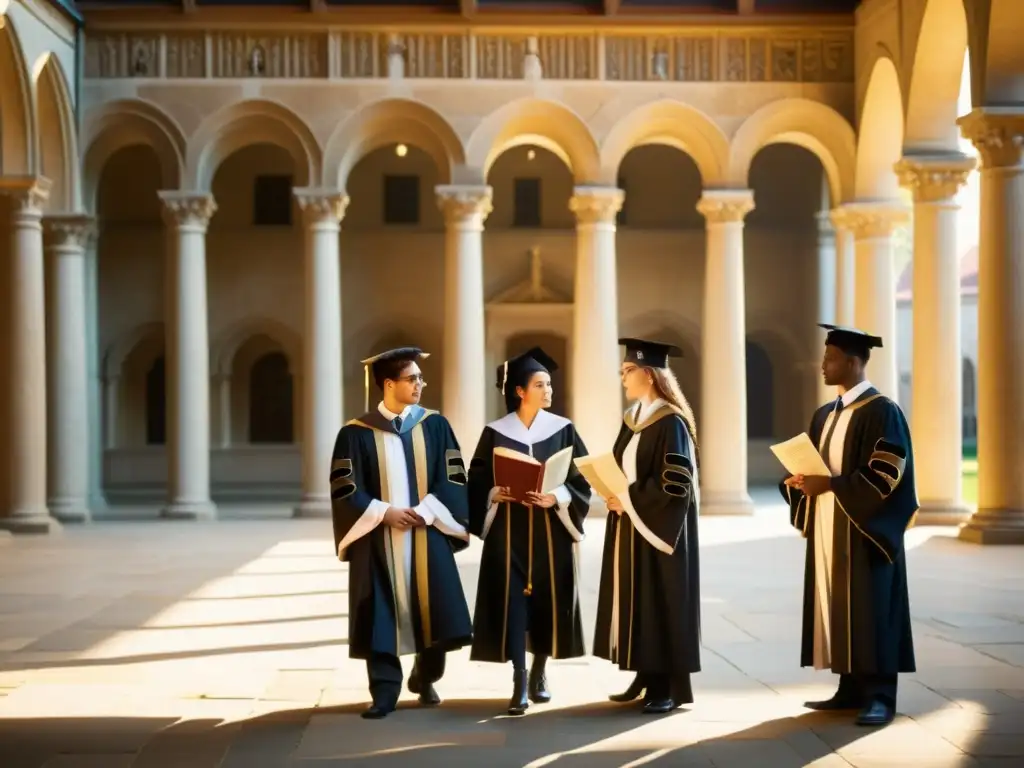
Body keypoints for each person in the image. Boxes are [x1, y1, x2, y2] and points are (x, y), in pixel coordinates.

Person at [780, 324, 917, 727]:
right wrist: (801, 482)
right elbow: (816, 467)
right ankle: (848, 687)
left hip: (864, 529)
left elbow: (887, 473)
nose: (821, 365)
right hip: (827, 525)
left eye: (830, 358)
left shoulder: (882, 411)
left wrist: (833, 485)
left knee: (871, 607)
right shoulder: (824, 415)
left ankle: (879, 695)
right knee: (837, 605)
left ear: (854, 362)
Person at [329, 347, 473, 720]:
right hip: (378, 536)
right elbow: (345, 488)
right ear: (389, 383)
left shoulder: (435, 425)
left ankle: (426, 678)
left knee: (436, 610)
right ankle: (384, 693)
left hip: (428, 530)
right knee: (379, 614)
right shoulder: (354, 433)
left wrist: (427, 512)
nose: (420, 384)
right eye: (412, 378)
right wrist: (384, 512)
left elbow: (454, 475)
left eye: (421, 378)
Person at [467, 347, 591, 716]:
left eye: (549, 384)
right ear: (520, 391)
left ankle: (540, 671)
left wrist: (556, 496)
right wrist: (494, 492)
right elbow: (475, 481)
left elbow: (581, 479)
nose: (549, 390)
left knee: (547, 604)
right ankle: (520, 680)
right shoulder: (495, 433)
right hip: (509, 531)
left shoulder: (564, 429)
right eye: (541, 384)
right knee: (512, 604)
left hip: (551, 531)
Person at [593, 338, 701, 715]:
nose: (622, 377)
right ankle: (643, 672)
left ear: (649, 375)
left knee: (659, 602)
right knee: (637, 601)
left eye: (628, 371)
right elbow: (620, 466)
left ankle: (665, 685)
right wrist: (610, 492)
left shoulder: (670, 421)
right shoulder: (634, 418)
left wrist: (629, 498)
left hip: (659, 528)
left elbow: (676, 482)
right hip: (633, 524)